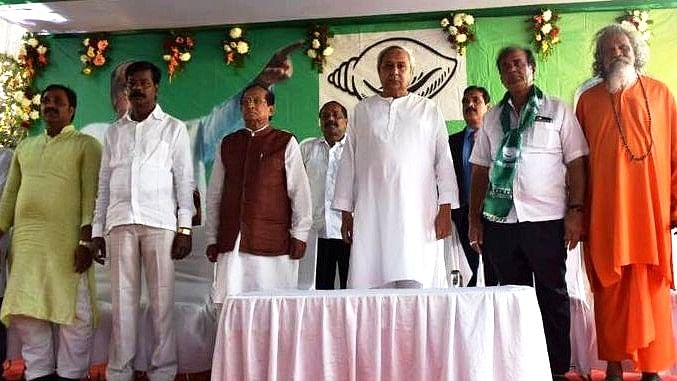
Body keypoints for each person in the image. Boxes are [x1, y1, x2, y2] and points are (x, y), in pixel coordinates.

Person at [468, 46, 588, 380]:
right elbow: (479, 170)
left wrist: (576, 211)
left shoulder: (558, 110)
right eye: (505, 66)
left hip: (547, 221)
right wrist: (475, 219)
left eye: (518, 64)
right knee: (513, 299)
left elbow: (577, 163)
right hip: (501, 222)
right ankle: (521, 367)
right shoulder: (491, 118)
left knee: (552, 294)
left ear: (532, 68)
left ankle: (558, 369)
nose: (512, 70)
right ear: (501, 75)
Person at [576, 25, 676, 381]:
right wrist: (578, 214)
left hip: (651, 217)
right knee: (610, 293)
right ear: (600, 60)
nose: (618, 51)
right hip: (606, 216)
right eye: (609, 49)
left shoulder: (662, 95)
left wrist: (675, 206)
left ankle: (652, 368)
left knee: (651, 292)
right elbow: (578, 165)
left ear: (635, 50)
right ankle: (615, 367)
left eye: (623, 45)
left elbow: (676, 155)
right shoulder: (587, 102)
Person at [90, 61, 194, 381]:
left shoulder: (173, 128)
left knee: (161, 304)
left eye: (144, 83)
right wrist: (97, 231)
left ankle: (163, 371)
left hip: (160, 223)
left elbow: (184, 181)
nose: (137, 88)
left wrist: (184, 227)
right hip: (120, 222)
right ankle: (120, 371)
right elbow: (104, 186)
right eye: (131, 83)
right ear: (126, 89)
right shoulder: (114, 131)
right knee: (123, 304)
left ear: (155, 87)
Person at [332, 45, 458, 289]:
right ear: (379, 71)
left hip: (418, 214)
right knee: (372, 283)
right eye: (388, 66)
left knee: (416, 281)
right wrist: (346, 213)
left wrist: (446, 209)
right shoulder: (362, 111)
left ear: (411, 72)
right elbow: (348, 163)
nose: (395, 71)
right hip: (371, 213)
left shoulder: (428, 110)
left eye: (402, 66)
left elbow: (444, 161)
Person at [0, 85, 102, 381]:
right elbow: (9, 196)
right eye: (45, 101)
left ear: (72, 110)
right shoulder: (25, 147)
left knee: (74, 312)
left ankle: (71, 374)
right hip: (27, 244)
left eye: (58, 102)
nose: (50, 106)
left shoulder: (86, 145)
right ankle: (39, 373)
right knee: (27, 310)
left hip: (67, 243)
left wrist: (86, 240)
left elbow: (91, 194)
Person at [205, 84, 312, 302]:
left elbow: (299, 192)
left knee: (271, 305)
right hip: (232, 240)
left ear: (271, 109)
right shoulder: (228, 143)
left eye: (257, 101)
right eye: (245, 102)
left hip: (273, 242)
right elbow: (215, 194)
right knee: (231, 304)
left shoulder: (284, 142)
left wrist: (300, 234)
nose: (250, 106)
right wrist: (211, 237)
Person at [448, 85, 497, 286]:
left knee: (494, 267)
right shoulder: (451, 142)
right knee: (468, 270)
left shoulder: (499, 138)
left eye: (476, 100)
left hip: (494, 213)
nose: (470, 105)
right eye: (466, 101)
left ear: (488, 106)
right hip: (463, 215)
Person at [300, 101, 350, 289]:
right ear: (319, 122)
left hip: (350, 232)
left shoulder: (357, 149)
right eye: (325, 116)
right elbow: (296, 189)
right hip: (317, 232)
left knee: (351, 289)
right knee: (321, 291)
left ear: (346, 121)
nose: (331, 119)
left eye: (336, 115)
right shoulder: (306, 149)